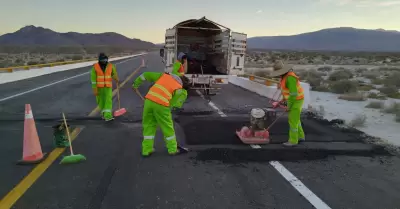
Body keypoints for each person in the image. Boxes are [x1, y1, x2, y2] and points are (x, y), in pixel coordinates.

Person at [132, 71, 190, 157]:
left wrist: (135, 84)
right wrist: (167, 111)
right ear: (183, 85)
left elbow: (146, 74)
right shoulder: (180, 90)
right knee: (167, 127)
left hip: (149, 101)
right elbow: (173, 104)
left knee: (148, 125)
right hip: (161, 104)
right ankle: (173, 149)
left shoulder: (165, 76)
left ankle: (146, 150)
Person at [270, 61, 305, 147]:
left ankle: (293, 141)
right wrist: (280, 102)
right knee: (296, 119)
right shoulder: (284, 77)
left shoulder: (290, 78)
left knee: (292, 121)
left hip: (297, 100)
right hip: (294, 99)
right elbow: (287, 93)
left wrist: (289, 106)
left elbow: (293, 94)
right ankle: (300, 136)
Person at [91, 53, 119, 121]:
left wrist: (116, 78)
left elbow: (113, 74)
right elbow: (93, 80)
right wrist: (95, 89)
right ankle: (104, 114)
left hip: (108, 87)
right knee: (101, 101)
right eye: (103, 59)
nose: (104, 61)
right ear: (99, 60)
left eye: (105, 59)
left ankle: (107, 116)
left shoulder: (111, 66)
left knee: (108, 100)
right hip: (99, 88)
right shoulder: (95, 67)